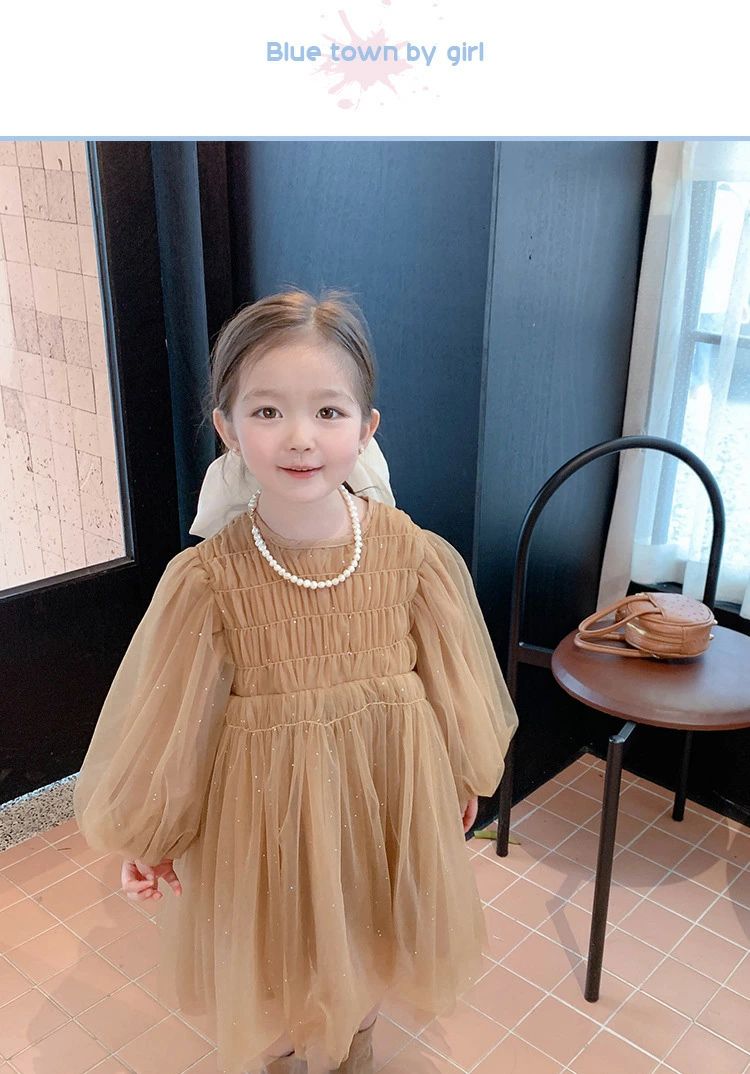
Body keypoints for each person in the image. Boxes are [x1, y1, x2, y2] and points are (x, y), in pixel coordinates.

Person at [74, 289, 519, 1074]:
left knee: (371, 947)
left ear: (366, 426)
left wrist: (458, 770)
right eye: (268, 411)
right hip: (264, 819)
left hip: (385, 793)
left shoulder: (411, 555)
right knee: (277, 979)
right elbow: (175, 718)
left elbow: (451, 680)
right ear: (228, 428)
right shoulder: (209, 581)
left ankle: (354, 1050)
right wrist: (151, 832)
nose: (301, 437)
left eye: (329, 411)